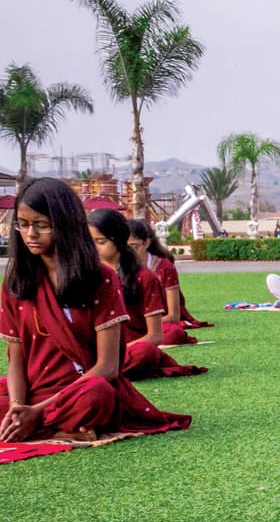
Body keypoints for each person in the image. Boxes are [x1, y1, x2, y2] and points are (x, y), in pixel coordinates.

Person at [0, 180, 188, 442]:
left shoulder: (100, 278)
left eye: (41, 225)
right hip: (35, 390)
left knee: (98, 393)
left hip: (79, 390)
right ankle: (56, 428)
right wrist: (17, 408)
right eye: (23, 224)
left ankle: (42, 425)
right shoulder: (16, 283)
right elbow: (16, 359)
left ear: (65, 224)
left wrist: (36, 412)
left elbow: (108, 367)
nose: (30, 233)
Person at [88, 209, 198, 380]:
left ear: (119, 240)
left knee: (145, 351)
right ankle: (97, 370)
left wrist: (113, 353)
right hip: (94, 347)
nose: (93, 248)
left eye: (100, 241)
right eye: (89, 242)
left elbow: (155, 336)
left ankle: (98, 372)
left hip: (128, 348)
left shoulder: (144, 277)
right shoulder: (86, 275)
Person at [129, 217, 197, 344]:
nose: (129, 252)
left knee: (173, 334)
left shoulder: (164, 267)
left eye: (134, 247)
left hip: (156, 323)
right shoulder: (117, 267)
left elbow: (173, 316)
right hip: (130, 325)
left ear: (146, 243)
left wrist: (148, 323)